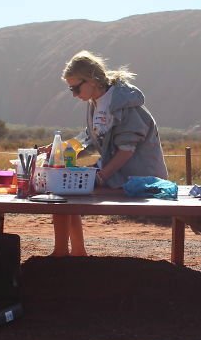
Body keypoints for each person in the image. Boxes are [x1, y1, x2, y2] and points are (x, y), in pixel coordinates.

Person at [49, 51, 168, 256]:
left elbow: (126, 151)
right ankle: (72, 252)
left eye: (76, 88)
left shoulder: (124, 104)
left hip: (138, 180)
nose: (74, 94)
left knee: (67, 192)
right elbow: (93, 137)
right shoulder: (95, 103)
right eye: (71, 89)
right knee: (63, 189)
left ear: (92, 79)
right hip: (115, 175)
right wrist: (60, 148)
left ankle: (69, 252)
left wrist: (101, 177)